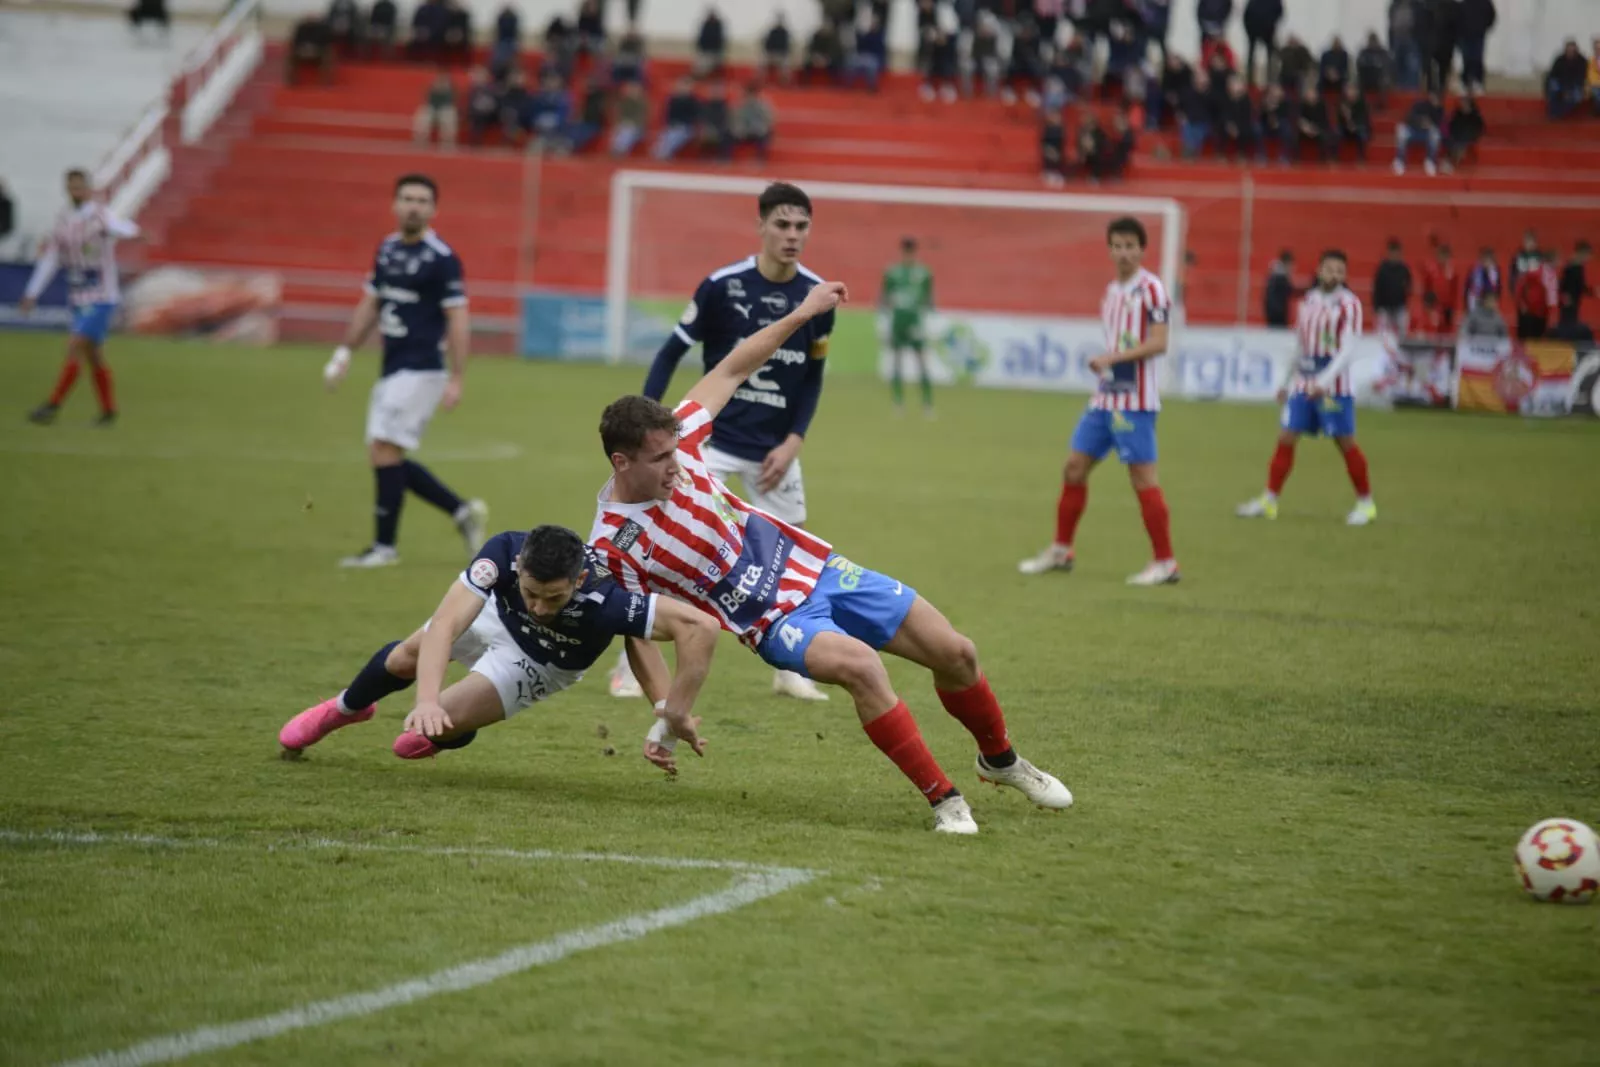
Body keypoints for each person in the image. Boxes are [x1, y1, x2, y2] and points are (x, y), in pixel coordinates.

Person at [591, 287, 1074, 834]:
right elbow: (633, 631)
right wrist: (665, 709)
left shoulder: (685, 435)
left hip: (819, 568)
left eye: (676, 452)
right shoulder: (613, 543)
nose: (676, 466)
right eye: (660, 460)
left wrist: (801, 315)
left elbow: (731, 368)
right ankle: (945, 800)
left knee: (957, 653)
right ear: (622, 461)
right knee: (863, 667)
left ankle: (1001, 760)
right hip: (772, 620)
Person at [611, 182, 835, 704]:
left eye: (801, 226)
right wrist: (646, 431)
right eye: (782, 224)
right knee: (674, 553)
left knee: (795, 565)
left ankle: (791, 671)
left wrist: (794, 440)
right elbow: (671, 352)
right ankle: (627, 666)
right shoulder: (721, 285)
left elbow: (814, 376)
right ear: (760, 225)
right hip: (709, 446)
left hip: (774, 450)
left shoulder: (817, 296)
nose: (792, 235)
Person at [278, 525, 720, 773]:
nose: (541, 607)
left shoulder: (606, 599)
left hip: (541, 662)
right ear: (519, 568)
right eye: (532, 592)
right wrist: (426, 697)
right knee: (404, 659)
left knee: (424, 735)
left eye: (555, 598)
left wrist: (668, 711)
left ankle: (447, 732)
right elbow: (447, 623)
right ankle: (346, 708)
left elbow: (691, 628)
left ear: (578, 582)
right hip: (494, 613)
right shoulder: (502, 553)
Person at [321, 174, 488, 569]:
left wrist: (457, 376)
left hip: (423, 368)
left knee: (383, 448)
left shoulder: (441, 258)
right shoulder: (387, 249)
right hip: (392, 367)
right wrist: (345, 351)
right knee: (384, 454)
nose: (414, 206)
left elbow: (458, 318)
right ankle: (461, 510)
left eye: (422, 200)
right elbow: (371, 303)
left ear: (433, 210)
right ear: (395, 204)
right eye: (407, 198)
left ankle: (385, 548)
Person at [1018, 217, 1178, 586]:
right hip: (1105, 399)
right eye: (1117, 246)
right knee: (1074, 467)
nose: (1123, 253)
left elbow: (1159, 342)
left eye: (1130, 246)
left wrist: (1112, 359)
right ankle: (1061, 549)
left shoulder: (1152, 289)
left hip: (1135, 402)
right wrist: (1108, 365)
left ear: (1142, 249)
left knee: (1142, 477)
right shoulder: (1112, 291)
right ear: (1109, 250)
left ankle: (1166, 562)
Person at [1237, 250, 1375, 526]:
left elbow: (1348, 350)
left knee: (1344, 442)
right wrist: (1285, 382)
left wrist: (1323, 382)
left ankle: (1366, 503)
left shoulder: (1350, 305)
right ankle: (1269, 501)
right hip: (1303, 382)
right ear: (1319, 270)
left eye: (1340, 270)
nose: (1334, 275)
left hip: (1334, 386)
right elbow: (1299, 345)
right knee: (1286, 436)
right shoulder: (1309, 301)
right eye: (1330, 269)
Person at [21, 168, 138, 427]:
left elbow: (121, 225)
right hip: (79, 298)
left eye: (80, 187)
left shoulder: (100, 216)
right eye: (72, 187)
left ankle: (52, 405)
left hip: (102, 296)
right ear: (67, 189)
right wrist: (31, 293)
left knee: (75, 345)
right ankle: (108, 411)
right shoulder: (62, 220)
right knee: (94, 355)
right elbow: (51, 259)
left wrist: (133, 231)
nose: (76, 192)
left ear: (88, 189)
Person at [880, 237, 935, 417]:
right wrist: (884, 322)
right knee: (897, 363)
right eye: (906, 252)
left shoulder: (924, 273)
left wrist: (929, 323)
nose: (908, 255)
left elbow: (929, 300)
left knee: (922, 364)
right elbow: (884, 299)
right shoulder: (893, 273)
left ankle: (927, 404)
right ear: (902, 252)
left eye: (911, 252)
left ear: (915, 253)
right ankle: (898, 403)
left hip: (915, 323)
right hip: (898, 323)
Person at [1392, 90, 1443, 175]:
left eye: (1436, 99)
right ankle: (1400, 160)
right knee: (1401, 129)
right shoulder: (1419, 105)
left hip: (1426, 133)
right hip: (1413, 130)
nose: (1434, 100)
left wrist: (1430, 124)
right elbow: (1409, 117)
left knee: (1435, 133)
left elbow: (1439, 124)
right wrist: (1421, 121)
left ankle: (1430, 161)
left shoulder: (1439, 110)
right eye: (1433, 97)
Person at [1371, 238, 1412, 339]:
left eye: (1396, 253)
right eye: (1392, 252)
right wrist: (1376, 307)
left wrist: (1404, 300)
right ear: (1389, 253)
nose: (1394, 255)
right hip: (1384, 307)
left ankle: (1402, 351)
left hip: (1399, 307)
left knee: (1403, 332)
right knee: (1381, 333)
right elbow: (1376, 288)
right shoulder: (1382, 269)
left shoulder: (1404, 269)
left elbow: (1409, 286)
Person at [651, 76, 699, 160]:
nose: (683, 88)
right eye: (682, 85)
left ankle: (664, 153)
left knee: (675, 134)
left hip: (686, 127)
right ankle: (662, 152)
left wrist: (680, 123)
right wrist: (671, 124)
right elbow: (668, 115)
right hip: (672, 126)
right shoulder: (672, 99)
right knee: (666, 134)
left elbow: (693, 117)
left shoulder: (693, 101)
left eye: (686, 86)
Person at [1514, 253, 1558, 340]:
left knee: (1538, 339)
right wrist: (1521, 303)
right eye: (1557, 260)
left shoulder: (1553, 275)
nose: (1558, 263)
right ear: (1550, 261)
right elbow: (1520, 285)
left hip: (1543, 313)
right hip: (1530, 312)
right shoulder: (1536, 271)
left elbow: (1552, 294)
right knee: (1526, 339)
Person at [1420, 241, 1460, 334]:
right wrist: (1427, 306)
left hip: (1448, 308)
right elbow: (1426, 288)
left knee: (1447, 331)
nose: (1442, 258)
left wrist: (1455, 309)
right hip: (1434, 306)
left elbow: (1455, 291)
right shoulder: (1431, 270)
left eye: (1445, 255)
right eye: (1441, 254)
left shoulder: (1453, 271)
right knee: (1434, 329)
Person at [1242, 0, 1283, 87]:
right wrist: (1249, 30)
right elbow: (1247, 14)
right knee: (1251, 56)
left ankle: (1270, 80)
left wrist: (1271, 24)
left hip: (1268, 31)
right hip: (1253, 31)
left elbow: (1280, 12)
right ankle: (1250, 80)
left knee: (1271, 56)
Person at [731, 81, 775, 160]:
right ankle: (726, 157)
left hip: (759, 130)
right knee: (730, 132)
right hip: (745, 130)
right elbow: (736, 118)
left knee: (764, 134)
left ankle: (760, 157)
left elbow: (769, 119)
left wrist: (761, 128)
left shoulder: (764, 104)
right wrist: (739, 129)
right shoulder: (740, 103)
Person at [413, 70, 458, 145]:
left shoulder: (451, 89)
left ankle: (447, 142)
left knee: (449, 115)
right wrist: (436, 90)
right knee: (423, 113)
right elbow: (428, 100)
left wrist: (445, 90)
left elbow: (451, 102)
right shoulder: (432, 88)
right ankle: (420, 140)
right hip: (432, 110)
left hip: (445, 111)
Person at [1546, 40, 1588, 118]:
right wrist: (1562, 90)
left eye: (1572, 50)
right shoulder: (1559, 60)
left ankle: (1559, 113)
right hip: (1560, 85)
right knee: (1553, 87)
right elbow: (1553, 74)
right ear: (1565, 50)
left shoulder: (1581, 61)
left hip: (1574, 86)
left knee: (1576, 96)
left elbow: (1580, 78)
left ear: (1576, 50)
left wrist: (1568, 90)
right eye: (1569, 50)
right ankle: (1553, 113)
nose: (1570, 52)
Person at [1446, 90, 1484, 168]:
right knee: (1454, 141)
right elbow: (1453, 125)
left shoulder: (1475, 114)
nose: (1462, 103)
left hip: (1470, 134)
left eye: (1464, 101)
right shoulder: (1457, 113)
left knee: (1461, 141)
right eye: (1462, 101)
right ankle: (1452, 160)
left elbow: (1479, 127)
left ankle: (1454, 161)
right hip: (1458, 134)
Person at [610, 80, 649, 157]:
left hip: (637, 127)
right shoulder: (625, 101)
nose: (632, 91)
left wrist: (632, 123)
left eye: (634, 90)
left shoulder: (643, 103)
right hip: (625, 124)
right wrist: (622, 122)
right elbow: (620, 115)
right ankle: (615, 149)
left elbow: (642, 118)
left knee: (628, 130)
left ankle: (620, 150)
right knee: (620, 129)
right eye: (631, 89)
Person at [1558, 241, 1593, 326]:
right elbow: (1562, 284)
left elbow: (1580, 285)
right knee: (1567, 326)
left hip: (1574, 302)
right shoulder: (1571, 267)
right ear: (1581, 253)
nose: (1588, 258)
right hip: (1568, 303)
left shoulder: (1578, 266)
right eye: (1587, 255)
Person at [1337, 83, 1372, 159]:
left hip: (1358, 127)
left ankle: (1361, 157)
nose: (1350, 92)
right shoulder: (1342, 103)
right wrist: (1346, 117)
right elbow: (1339, 121)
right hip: (1345, 128)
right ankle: (1335, 157)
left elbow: (1363, 120)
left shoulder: (1362, 103)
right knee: (1337, 132)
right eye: (1349, 90)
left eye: (1352, 90)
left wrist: (1354, 125)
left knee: (1362, 133)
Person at [1357, 32, 1393, 105]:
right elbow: (1359, 65)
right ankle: (1361, 104)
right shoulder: (1364, 52)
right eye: (1371, 40)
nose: (1373, 42)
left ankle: (1381, 103)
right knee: (1358, 82)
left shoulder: (1383, 52)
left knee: (1384, 81)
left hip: (1379, 78)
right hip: (1367, 78)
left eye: (1374, 40)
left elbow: (1388, 66)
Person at [1263, 249, 1295, 327]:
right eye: (1291, 264)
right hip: (1277, 314)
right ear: (1287, 263)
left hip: (1273, 312)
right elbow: (1289, 290)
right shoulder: (1280, 276)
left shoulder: (1275, 274)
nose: (1292, 267)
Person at [1464, 246, 1502, 311]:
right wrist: (1466, 305)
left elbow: (1498, 287)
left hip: (1489, 301)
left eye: (1489, 259)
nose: (1486, 262)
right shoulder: (1474, 270)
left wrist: (1495, 300)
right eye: (1485, 259)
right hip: (1475, 299)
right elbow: (1467, 286)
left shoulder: (1495, 271)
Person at [694, 5, 726, 77]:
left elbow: (719, 39)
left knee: (714, 66)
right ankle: (701, 77)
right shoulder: (706, 23)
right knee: (702, 65)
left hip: (714, 50)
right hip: (705, 50)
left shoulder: (718, 25)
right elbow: (702, 37)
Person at [762, 13, 792, 84]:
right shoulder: (772, 32)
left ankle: (784, 82)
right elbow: (767, 44)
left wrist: (781, 54)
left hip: (782, 55)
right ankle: (761, 81)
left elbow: (787, 47)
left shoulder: (785, 32)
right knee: (762, 62)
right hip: (771, 54)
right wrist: (770, 53)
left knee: (785, 64)